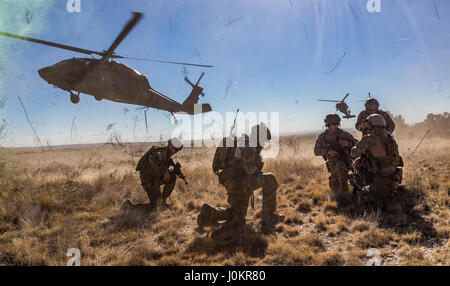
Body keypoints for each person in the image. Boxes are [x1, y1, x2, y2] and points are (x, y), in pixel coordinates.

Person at [197, 123, 284, 233]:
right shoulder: (249, 147)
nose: (264, 144)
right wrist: (257, 168)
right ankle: (269, 217)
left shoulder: (241, 142)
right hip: (240, 184)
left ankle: (209, 212)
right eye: (264, 140)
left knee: (237, 217)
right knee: (270, 179)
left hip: (233, 183)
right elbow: (250, 172)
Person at [351, 114, 403, 205]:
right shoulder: (390, 138)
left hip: (380, 183)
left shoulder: (370, 138)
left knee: (360, 195)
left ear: (370, 125)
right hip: (395, 179)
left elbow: (353, 153)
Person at [314, 114, 358, 202]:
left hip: (345, 162)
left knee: (341, 167)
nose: (336, 126)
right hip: (332, 164)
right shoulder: (323, 137)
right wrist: (327, 152)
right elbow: (316, 151)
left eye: (337, 124)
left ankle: (346, 195)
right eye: (333, 124)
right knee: (335, 188)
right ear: (328, 125)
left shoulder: (344, 134)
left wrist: (348, 144)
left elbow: (358, 144)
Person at [132, 138, 184, 210]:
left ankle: (162, 201)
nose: (176, 152)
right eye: (175, 149)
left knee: (172, 177)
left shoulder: (167, 155)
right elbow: (152, 158)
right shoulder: (163, 152)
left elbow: (165, 165)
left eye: (178, 150)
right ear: (171, 146)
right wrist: (164, 172)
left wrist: (176, 172)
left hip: (155, 178)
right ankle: (129, 207)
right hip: (148, 180)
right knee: (155, 207)